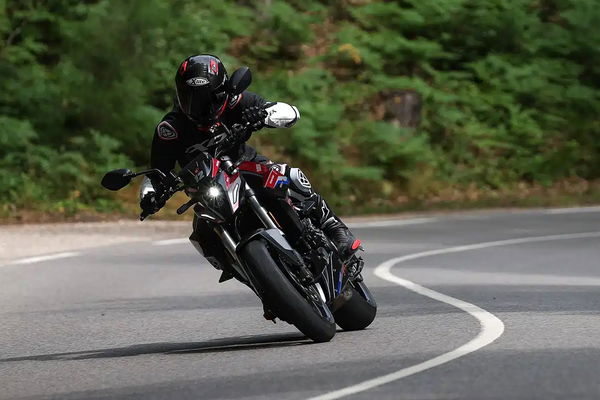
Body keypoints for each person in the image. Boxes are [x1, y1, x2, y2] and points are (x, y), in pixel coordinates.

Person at [140, 54, 361, 274]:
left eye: (208, 98)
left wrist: (264, 113)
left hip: (247, 167)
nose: (201, 106)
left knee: (288, 175)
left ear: (222, 90)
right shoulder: (171, 128)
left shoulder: (237, 101)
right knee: (206, 241)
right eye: (193, 99)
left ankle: (333, 225)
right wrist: (150, 195)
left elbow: (290, 112)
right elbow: (156, 172)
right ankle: (263, 289)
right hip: (207, 190)